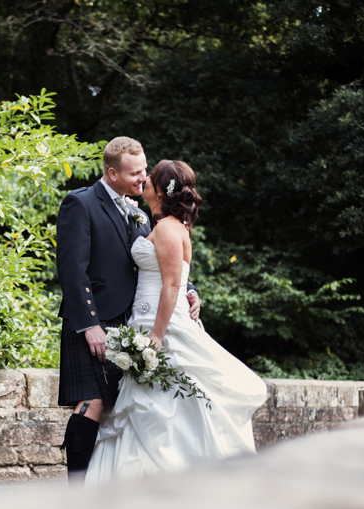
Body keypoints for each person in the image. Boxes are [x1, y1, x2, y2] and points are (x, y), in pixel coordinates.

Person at [85, 160, 268, 484]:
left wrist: (155, 336)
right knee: (149, 403)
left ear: (161, 188)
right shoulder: (164, 225)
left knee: (166, 406)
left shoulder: (169, 228)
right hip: (144, 320)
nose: (145, 181)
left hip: (161, 327)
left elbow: (172, 285)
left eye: (150, 178)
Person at [56, 139, 201, 482]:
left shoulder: (139, 212)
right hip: (94, 320)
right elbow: (72, 270)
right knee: (91, 402)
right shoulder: (81, 203)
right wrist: (89, 324)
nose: (143, 178)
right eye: (135, 173)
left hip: (131, 323)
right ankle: (76, 488)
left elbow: (159, 264)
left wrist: (189, 290)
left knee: (116, 408)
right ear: (111, 172)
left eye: (144, 170)